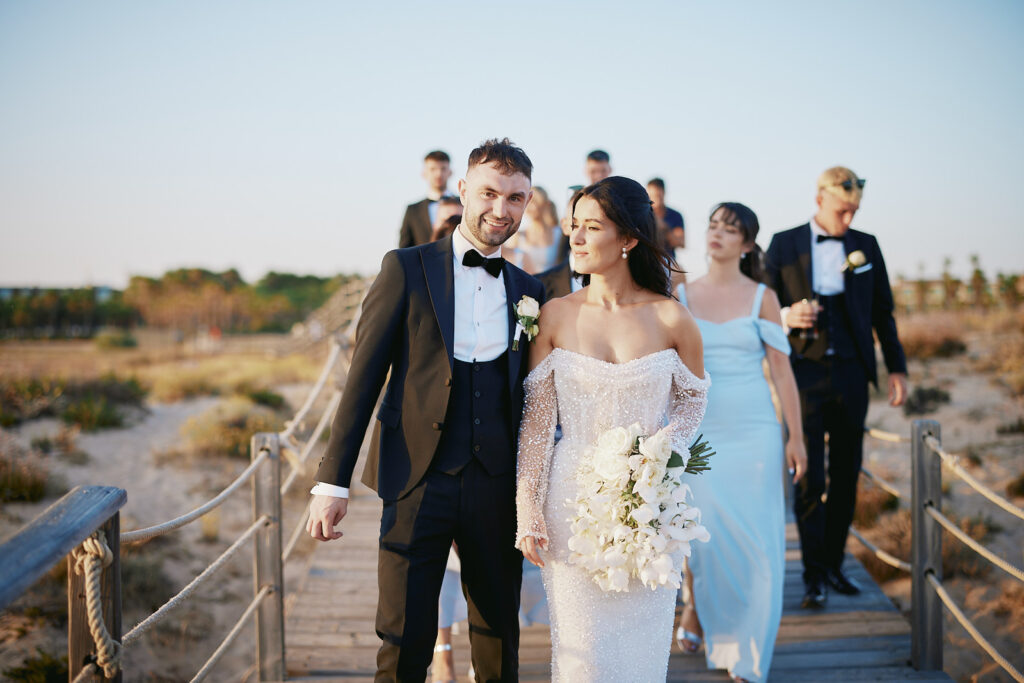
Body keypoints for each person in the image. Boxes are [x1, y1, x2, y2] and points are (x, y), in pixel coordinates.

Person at [308, 138, 545, 682]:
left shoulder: (531, 291)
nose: (500, 209)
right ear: (462, 191)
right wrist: (332, 483)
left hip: (496, 484)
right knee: (403, 636)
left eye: (516, 198)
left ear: (527, 203)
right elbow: (362, 379)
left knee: (497, 638)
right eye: (489, 193)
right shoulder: (406, 268)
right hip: (415, 479)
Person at [515, 176, 709, 682]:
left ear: (627, 240)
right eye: (573, 226)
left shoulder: (673, 318)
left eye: (591, 227)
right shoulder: (554, 316)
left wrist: (661, 456)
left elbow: (692, 401)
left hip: (651, 506)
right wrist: (527, 508)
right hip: (570, 505)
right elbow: (537, 426)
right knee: (582, 659)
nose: (575, 238)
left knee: (640, 660)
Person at [765, 166, 908, 610]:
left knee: (847, 472)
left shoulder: (867, 245)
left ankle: (833, 564)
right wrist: (788, 315)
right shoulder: (784, 243)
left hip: (851, 373)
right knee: (809, 476)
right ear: (820, 198)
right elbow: (764, 300)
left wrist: (897, 368)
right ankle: (812, 576)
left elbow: (883, 310)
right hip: (802, 374)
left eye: (854, 211)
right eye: (843, 210)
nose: (848, 219)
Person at [676, 203, 807, 683]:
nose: (717, 234)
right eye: (713, 225)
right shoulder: (680, 292)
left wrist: (796, 436)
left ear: (747, 245)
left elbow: (782, 371)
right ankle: (702, 615)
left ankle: (749, 656)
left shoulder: (763, 298)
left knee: (757, 543)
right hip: (699, 433)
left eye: (730, 230)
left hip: (755, 432)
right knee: (705, 538)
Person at [399, 150, 455, 247]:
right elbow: (404, 248)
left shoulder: (464, 204)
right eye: (433, 169)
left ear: (450, 172)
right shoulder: (413, 210)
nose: (438, 174)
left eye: (443, 168)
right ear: (424, 173)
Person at [504, 186, 563, 274]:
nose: (530, 207)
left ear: (545, 204)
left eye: (535, 202)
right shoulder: (518, 236)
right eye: (528, 202)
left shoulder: (559, 233)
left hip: (552, 285)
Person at [647, 177, 685, 253]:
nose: (653, 200)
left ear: (663, 193)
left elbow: (680, 243)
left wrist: (664, 228)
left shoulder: (675, 215)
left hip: (667, 260)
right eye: (650, 196)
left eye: (657, 196)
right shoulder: (643, 214)